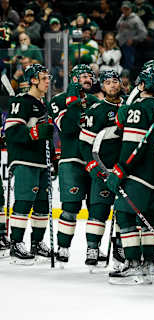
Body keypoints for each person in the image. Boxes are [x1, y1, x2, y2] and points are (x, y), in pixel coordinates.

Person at [106, 66, 154, 285]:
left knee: (125, 215)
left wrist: (120, 169)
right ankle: (150, 264)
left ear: (142, 85)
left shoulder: (138, 108)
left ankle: (133, 264)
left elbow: (132, 145)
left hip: (140, 174)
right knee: (150, 218)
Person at [5, 64, 55, 264]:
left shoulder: (44, 105)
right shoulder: (21, 102)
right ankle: (16, 243)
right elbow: (11, 132)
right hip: (25, 159)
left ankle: (37, 242)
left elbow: (46, 137)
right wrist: (34, 133)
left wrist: (52, 157)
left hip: (42, 161)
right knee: (25, 201)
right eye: (44, 77)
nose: (47, 81)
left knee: (43, 204)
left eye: (48, 77)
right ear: (33, 80)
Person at [50, 64, 100, 265]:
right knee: (70, 207)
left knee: (97, 208)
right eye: (84, 76)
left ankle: (93, 250)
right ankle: (63, 247)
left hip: (94, 160)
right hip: (71, 159)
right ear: (74, 79)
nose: (89, 79)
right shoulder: (58, 100)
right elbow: (69, 128)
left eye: (90, 76)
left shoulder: (96, 101)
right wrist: (72, 100)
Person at [78, 70, 124, 270]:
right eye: (107, 82)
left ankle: (122, 246)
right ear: (102, 87)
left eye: (115, 81)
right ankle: (92, 247)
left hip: (126, 169)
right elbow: (84, 143)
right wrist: (91, 165)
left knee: (125, 212)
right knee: (99, 209)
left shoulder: (130, 108)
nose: (112, 85)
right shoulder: (96, 110)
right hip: (104, 169)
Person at [116, 1, 147, 71]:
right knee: (121, 64)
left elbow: (144, 33)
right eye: (124, 9)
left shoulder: (135, 18)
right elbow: (118, 28)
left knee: (128, 64)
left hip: (129, 45)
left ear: (130, 9)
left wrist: (133, 39)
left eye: (127, 9)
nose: (125, 11)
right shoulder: (121, 17)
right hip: (120, 44)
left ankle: (128, 79)